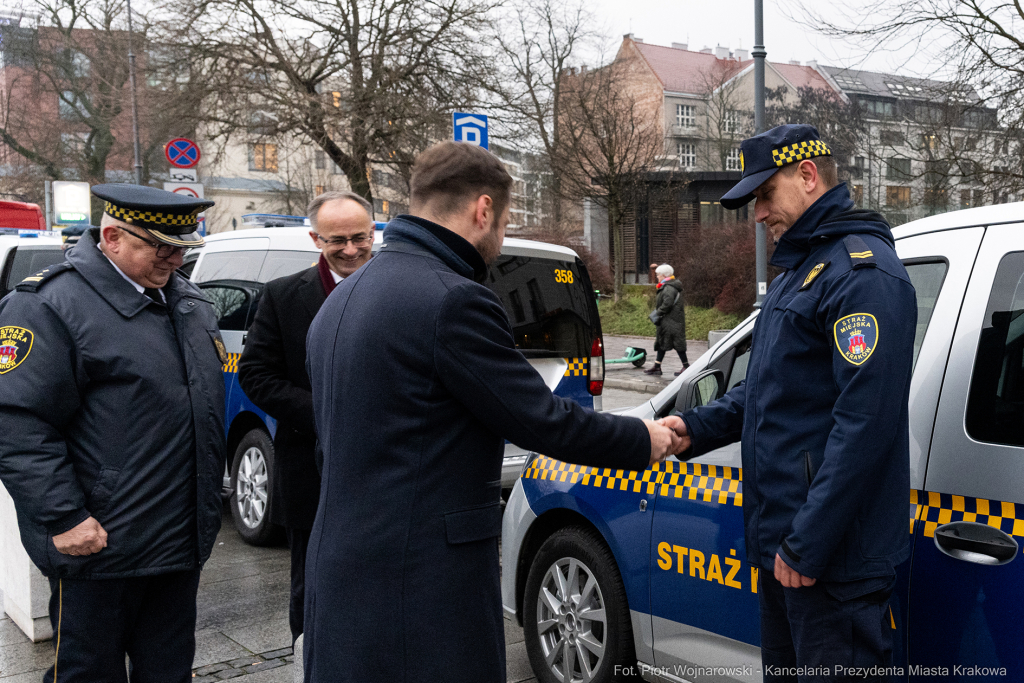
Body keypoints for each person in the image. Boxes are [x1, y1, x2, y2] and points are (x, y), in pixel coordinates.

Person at [303, 141, 687, 683]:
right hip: (423, 590)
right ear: (483, 210)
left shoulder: (342, 299)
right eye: (504, 222)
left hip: (342, 577)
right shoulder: (450, 299)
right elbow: (540, 419)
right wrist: (641, 439)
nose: (501, 236)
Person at [666, 124, 916, 681]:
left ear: (806, 176)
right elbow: (765, 394)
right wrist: (691, 428)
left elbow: (864, 427)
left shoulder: (861, 275)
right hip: (790, 556)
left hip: (833, 567)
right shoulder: (800, 273)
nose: (757, 214)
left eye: (763, 195)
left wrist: (806, 545)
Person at [0, 184, 225, 682]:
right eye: (160, 246)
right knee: (87, 673)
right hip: (99, 545)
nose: (173, 258)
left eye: (182, 248)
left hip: (177, 539)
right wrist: (64, 516)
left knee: (168, 672)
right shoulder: (48, 305)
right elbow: (16, 421)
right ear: (111, 236)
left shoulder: (186, 301)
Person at [237, 190, 374, 645]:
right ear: (315, 238)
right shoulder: (282, 296)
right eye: (338, 240)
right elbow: (256, 375)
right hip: (311, 473)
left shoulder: (397, 289)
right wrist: (328, 416)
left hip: (385, 472)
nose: (351, 249)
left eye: (360, 237)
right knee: (312, 586)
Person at [644, 263, 689, 376]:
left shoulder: (668, 287)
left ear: (664, 275)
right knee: (662, 342)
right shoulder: (669, 286)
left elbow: (667, 303)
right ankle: (657, 367)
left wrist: (657, 313)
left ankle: (686, 366)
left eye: (658, 275)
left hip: (671, 321)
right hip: (669, 320)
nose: (657, 277)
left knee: (677, 344)